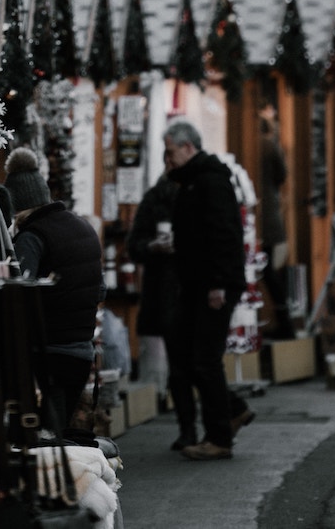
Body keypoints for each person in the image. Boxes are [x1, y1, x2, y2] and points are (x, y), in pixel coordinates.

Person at [163, 119, 251, 461]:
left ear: (188, 147)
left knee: (204, 359)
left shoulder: (210, 182)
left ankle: (220, 437)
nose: (167, 159)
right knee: (190, 356)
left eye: (171, 152)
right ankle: (233, 410)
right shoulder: (193, 181)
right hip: (199, 283)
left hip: (213, 285)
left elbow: (223, 233)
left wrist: (218, 283)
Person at [4, 146, 103, 436]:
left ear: (18, 207)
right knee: (60, 434)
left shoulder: (31, 237)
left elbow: (18, 294)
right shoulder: (83, 228)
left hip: (46, 354)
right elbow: (100, 290)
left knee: (42, 439)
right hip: (82, 352)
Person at [126, 156, 194, 449]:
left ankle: (205, 423)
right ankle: (188, 427)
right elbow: (134, 246)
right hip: (168, 290)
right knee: (181, 363)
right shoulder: (154, 199)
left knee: (195, 361)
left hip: (189, 287)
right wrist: (153, 246)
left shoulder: (196, 195)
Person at [259, 101, 294, 339]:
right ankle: (284, 322)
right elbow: (282, 175)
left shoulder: (253, 145)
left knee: (265, 271)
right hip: (269, 215)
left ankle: (277, 322)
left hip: (260, 217)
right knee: (269, 271)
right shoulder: (269, 145)